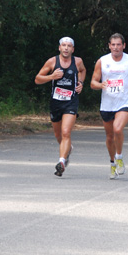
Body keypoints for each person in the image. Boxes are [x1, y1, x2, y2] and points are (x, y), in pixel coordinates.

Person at [90, 33, 128, 179]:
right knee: (109, 137)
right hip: (107, 103)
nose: (116, 48)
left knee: (117, 129)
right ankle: (112, 163)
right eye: (113, 45)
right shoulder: (102, 61)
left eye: (118, 44)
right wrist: (100, 85)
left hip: (125, 102)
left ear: (124, 46)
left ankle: (119, 157)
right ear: (109, 46)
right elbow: (92, 83)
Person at [35, 37, 86, 177]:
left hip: (71, 101)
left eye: (69, 46)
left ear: (72, 49)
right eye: (63, 45)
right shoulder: (52, 62)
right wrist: (52, 76)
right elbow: (38, 79)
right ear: (59, 48)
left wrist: (80, 83)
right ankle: (67, 150)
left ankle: (62, 162)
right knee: (58, 135)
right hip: (56, 102)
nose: (66, 48)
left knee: (65, 132)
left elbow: (82, 71)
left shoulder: (77, 61)